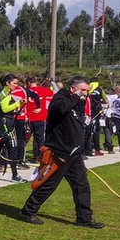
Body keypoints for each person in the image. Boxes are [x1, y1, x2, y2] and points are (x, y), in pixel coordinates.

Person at [19, 76, 104, 229]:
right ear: (73, 89)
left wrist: (81, 100)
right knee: (49, 184)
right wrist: (77, 97)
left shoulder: (77, 101)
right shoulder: (60, 98)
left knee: (81, 185)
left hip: (74, 152)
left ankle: (84, 217)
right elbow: (62, 109)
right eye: (82, 90)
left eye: (87, 91)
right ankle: (28, 211)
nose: (85, 93)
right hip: (60, 152)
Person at [0, 74, 24, 182]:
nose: (16, 85)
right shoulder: (5, 92)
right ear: (8, 83)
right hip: (6, 123)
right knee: (13, 147)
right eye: (14, 83)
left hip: (3, 122)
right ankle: (15, 175)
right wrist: (18, 104)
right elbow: (5, 109)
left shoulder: (3, 92)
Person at [10, 75, 40, 168]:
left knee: (17, 139)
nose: (15, 85)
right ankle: (17, 161)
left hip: (17, 117)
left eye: (16, 83)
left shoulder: (22, 90)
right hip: (14, 117)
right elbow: (35, 95)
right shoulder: (11, 91)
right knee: (17, 140)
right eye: (14, 83)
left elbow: (34, 95)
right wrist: (38, 107)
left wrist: (38, 107)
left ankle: (16, 160)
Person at [28, 77, 54, 162]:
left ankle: (19, 158)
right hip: (40, 117)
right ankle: (39, 156)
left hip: (28, 117)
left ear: (29, 83)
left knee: (24, 139)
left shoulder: (26, 91)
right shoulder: (46, 91)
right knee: (39, 138)